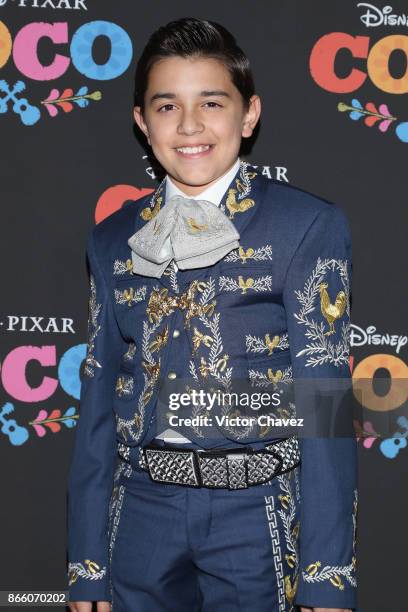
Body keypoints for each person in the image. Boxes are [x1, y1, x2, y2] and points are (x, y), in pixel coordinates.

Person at [67, 17, 358, 612]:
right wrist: (85, 565)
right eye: (167, 105)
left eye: (212, 102)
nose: (190, 125)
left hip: (256, 515)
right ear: (142, 122)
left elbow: (325, 402)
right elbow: (98, 401)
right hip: (141, 511)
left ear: (248, 115)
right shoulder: (110, 239)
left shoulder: (305, 225)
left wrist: (327, 575)